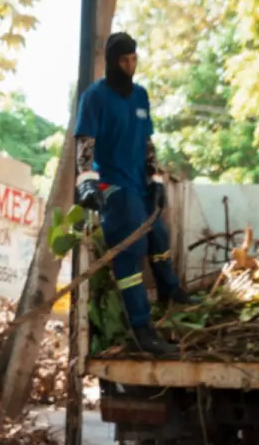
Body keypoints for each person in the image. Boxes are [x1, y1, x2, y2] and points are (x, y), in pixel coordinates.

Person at [74, 31, 196, 356]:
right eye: (124, 60)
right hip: (111, 184)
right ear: (113, 62)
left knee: (158, 233)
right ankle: (142, 327)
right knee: (129, 233)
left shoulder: (141, 96)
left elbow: (147, 143)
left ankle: (171, 290)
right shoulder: (94, 97)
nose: (130, 66)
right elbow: (85, 143)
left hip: (138, 182)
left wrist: (155, 179)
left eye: (134, 59)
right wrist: (86, 182)